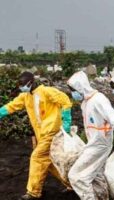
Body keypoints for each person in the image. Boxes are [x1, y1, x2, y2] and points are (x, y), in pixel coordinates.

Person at [0, 72, 73, 200]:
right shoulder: (26, 96)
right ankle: (73, 184)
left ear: (31, 82)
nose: (22, 87)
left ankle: (33, 192)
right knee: (50, 163)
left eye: (23, 84)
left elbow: (65, 101)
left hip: (51, 131)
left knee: (37, 157)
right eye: (20, 85)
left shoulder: (47, 91)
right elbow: (11, 106)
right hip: (41, 134)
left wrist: (66, 120)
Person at [67, 71, 114, 200]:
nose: (73, 94)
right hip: (94, 143)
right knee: (96, 175)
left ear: (80, 87)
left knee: (77, 177)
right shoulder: (86, 102)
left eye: (73, 90)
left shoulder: (98, 99)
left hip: (100, 144)